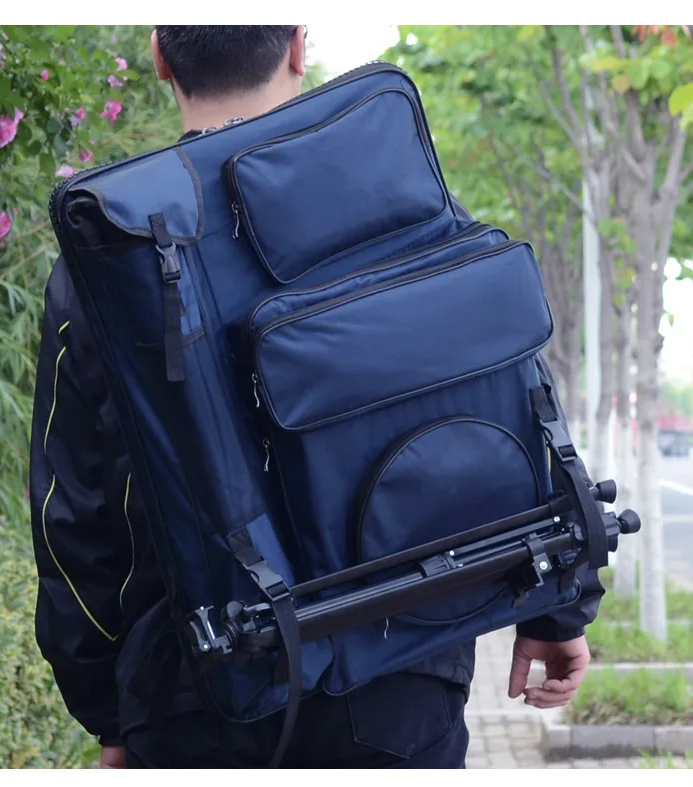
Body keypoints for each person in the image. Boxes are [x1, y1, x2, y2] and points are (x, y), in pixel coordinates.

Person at [29, 25, 603, 769]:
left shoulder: (114, 254)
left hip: (192, 681)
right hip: (401, 663)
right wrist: (558, 605)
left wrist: (111, 713)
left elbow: (72, 511)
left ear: (160, 58)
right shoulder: (397, 198)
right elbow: (509, 393)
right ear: (298, 47)